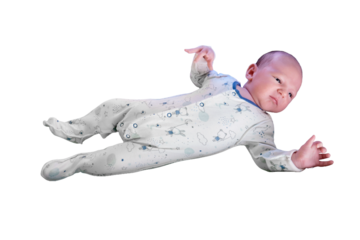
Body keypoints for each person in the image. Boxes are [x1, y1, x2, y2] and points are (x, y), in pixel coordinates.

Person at [39, 44, 335, 182]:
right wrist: (205, 60)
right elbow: (201, 77)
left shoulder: (260, 126)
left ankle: (79, 162)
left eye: (292, 94)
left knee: (116, 161)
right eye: (279, 80)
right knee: (114, 104)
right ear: (251, 71)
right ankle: (76, 130)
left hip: (160, 149)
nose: (284, 93)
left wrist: (295, 160)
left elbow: (265, 158)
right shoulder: (225, 80)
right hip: (149, 110)